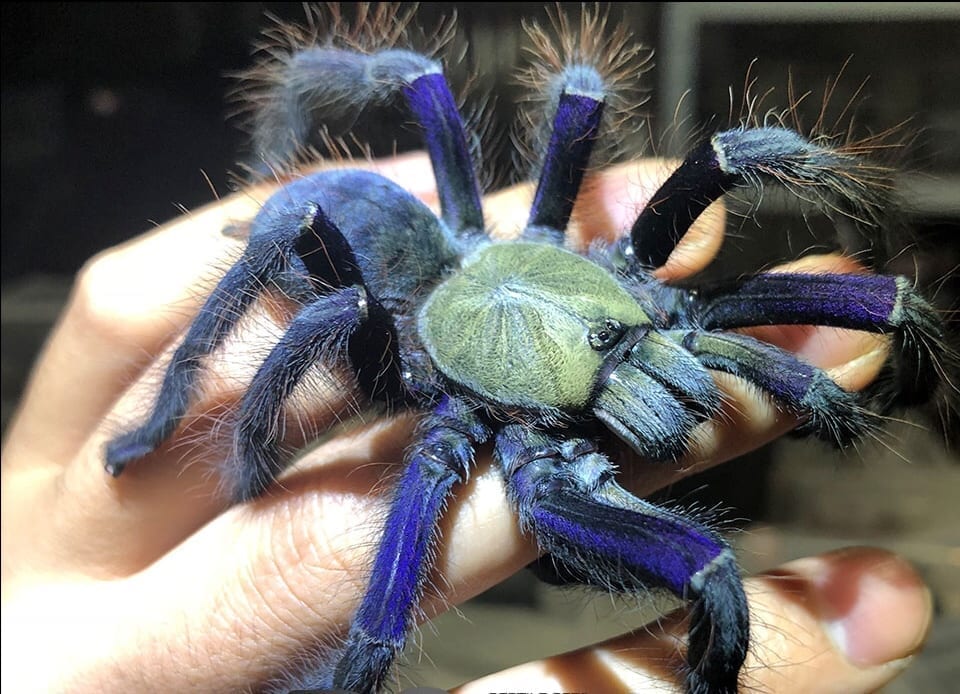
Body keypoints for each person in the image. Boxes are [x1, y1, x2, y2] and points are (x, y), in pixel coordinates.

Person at [1, 152, 931, 692]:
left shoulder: (615, 275)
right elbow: (376, 629)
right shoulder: (400, 368)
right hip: (399, 291)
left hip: (492, 266)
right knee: (712, 575)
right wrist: (202, 421)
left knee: (854, 277)